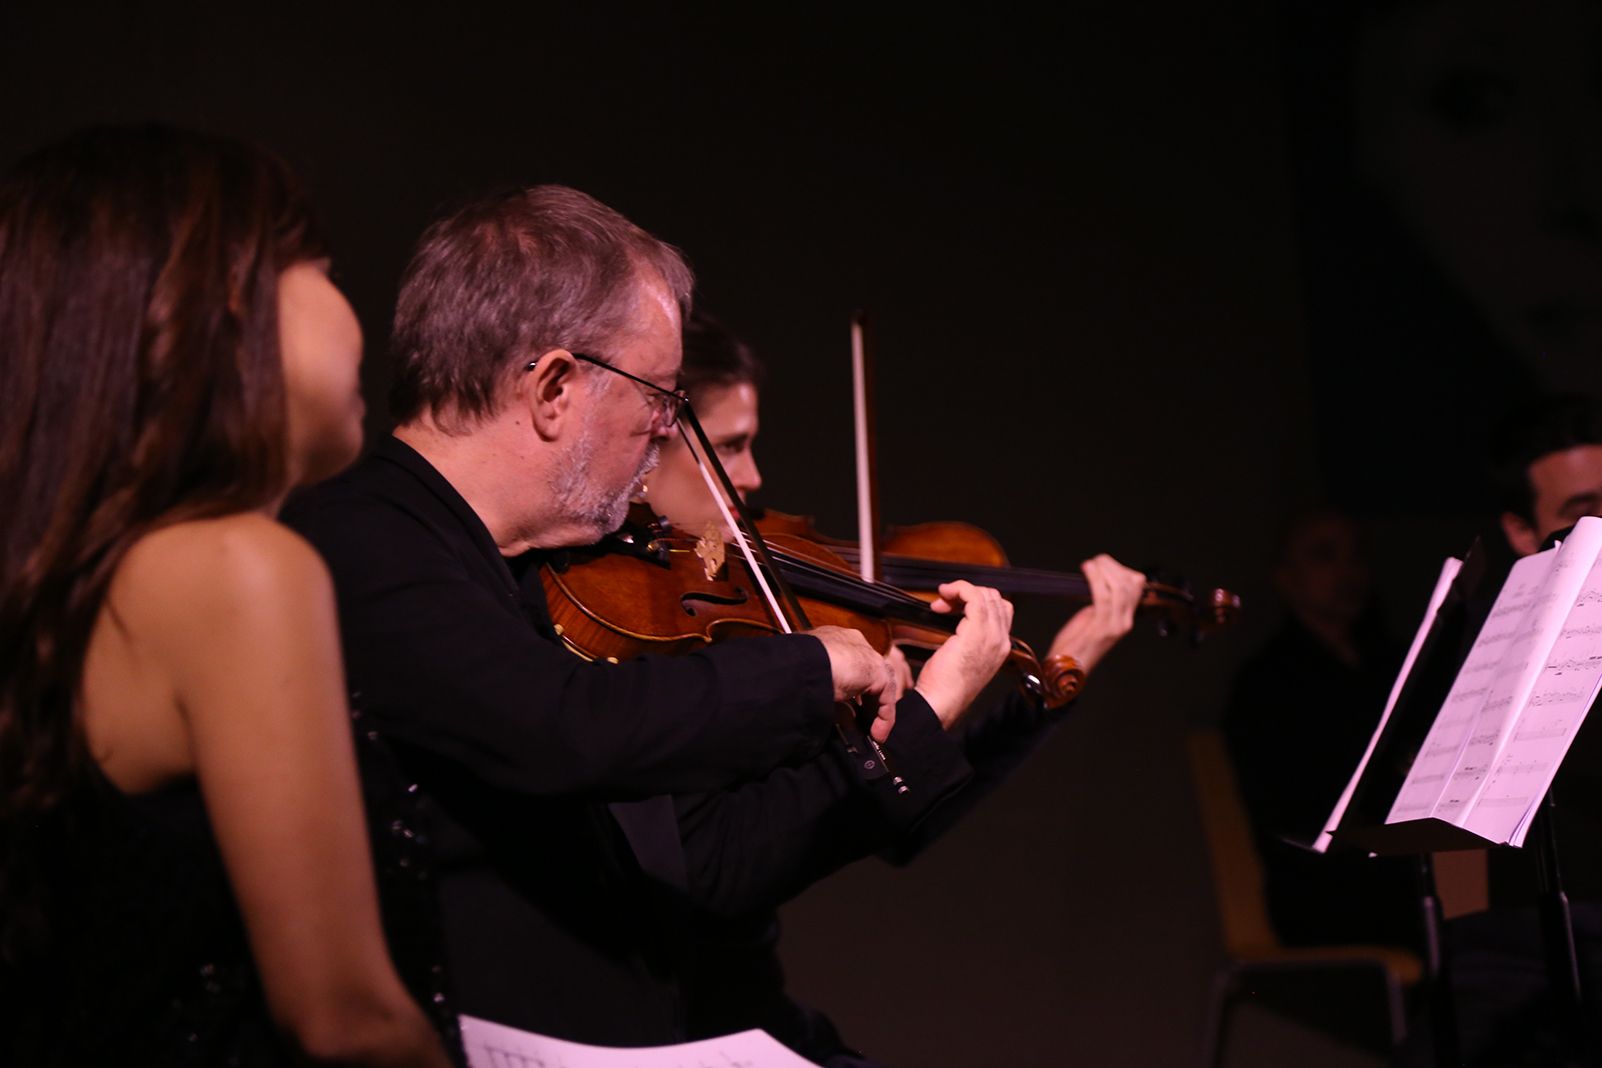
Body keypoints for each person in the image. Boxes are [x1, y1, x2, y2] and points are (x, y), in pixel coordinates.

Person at [282, 185, 1030, 1046]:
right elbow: (560, 728)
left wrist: (922, 722)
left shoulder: (533, 572)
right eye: (662, 398)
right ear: (555, 388)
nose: (668, 430)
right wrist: (810, 667)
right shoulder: (365, 540)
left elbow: (695, 856)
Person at [0, 126, 456, 1066]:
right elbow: (350, 1023)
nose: (348, 304)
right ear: (227, 302)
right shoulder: (239, 569)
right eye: (320, 266)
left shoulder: (89, 585)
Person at [640, 310, 1148, 1064]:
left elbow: (892, 820)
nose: (751, 480)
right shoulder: (646, 640)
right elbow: (741, 858)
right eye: (732, 446)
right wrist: (926, 710)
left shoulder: (750, 604)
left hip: (746, 1001)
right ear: (648, 439)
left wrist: (1043, 690)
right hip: (682, 1015)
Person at [1221, 507, 1422, 953]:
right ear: (1285, 577)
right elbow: (1291, 819)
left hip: (1398, 870)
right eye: (1324, 556)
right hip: (1327, 889)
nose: (1346, 571)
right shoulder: (1267, 682)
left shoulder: (1394, 664)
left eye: (1356, 557)